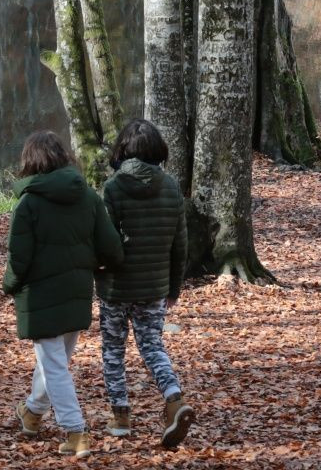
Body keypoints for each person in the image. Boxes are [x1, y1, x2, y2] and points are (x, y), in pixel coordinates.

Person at [4, 131, 123, 458]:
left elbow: (19, 257)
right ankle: (31, 414)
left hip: (41, 298)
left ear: (31, 161)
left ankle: (75, 432)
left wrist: (9, 285)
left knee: (54, 364)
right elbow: (111, 247)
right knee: (54, 361)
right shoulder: (88, 196)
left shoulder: (28, 203)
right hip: (77, 292)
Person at [96, 119, 194, 449]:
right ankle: (174, 399)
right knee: (152, 348)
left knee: (113, 351)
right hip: (154, 286)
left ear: (123, 150)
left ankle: (121, 419)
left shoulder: (113, 188)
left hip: (115, 286)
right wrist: (173, 289)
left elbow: (105, 241)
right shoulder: (170, 188)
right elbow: (180, 245)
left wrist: (99, 266)